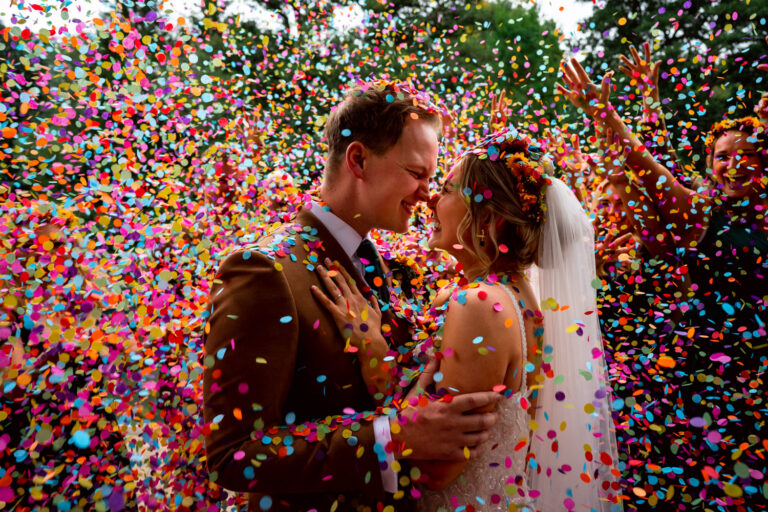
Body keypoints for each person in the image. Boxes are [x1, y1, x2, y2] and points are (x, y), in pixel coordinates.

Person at [203, 81, 502, 511]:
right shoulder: (264, 270)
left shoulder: (393, 270)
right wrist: (393, 437)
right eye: (417, 174)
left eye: (432, 178)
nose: (427, 194)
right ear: (359, 160)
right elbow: (231, 455)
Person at [313, 127, 623, 511]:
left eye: (445, 190)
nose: (429, 201)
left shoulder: (482, 305)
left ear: (487, 218)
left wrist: (373, 352)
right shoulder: (514, 294)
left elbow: (436, 468)